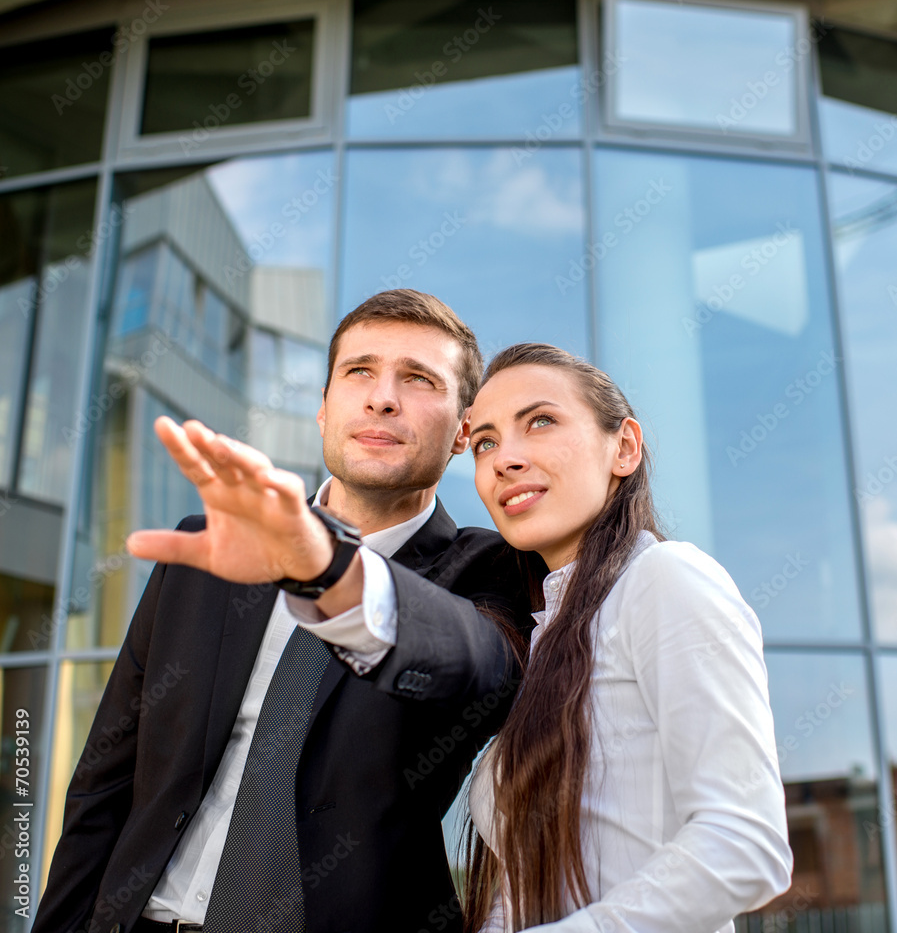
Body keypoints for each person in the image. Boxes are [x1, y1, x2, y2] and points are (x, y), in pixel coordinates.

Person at [33, 290, 535, 933]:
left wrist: (323, 565)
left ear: (464, 431)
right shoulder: (207, 552)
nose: (383, 397)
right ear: (325, 411)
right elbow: (105, 782)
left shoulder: (488, 568)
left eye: (418, 379)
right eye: (360, 372)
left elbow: (479, 667)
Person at [462, 343, 793, 933]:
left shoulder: (665, 580)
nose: (504, 458)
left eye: (540, 421)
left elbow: (747, 845)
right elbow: (522, 890)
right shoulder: (545, 636)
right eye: (485, 441)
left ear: (625, 447)